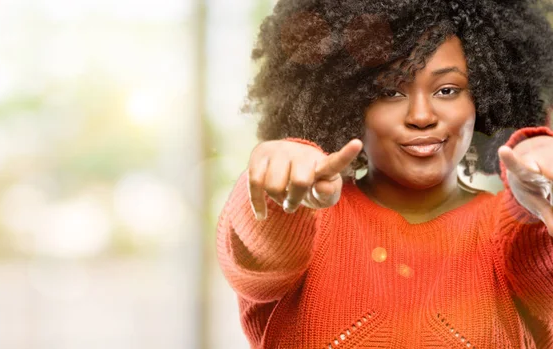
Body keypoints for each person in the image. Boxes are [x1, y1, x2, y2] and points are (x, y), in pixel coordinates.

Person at [216, 0, 553, 347]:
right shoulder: (307, 227)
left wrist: (537, 204)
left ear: (481, 99)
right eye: (390, 92)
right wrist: (282, 189)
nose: (421, 116)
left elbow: (541, 266)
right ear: (347, 101)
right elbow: (259, 257)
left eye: (447, 90)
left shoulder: (515, 236)